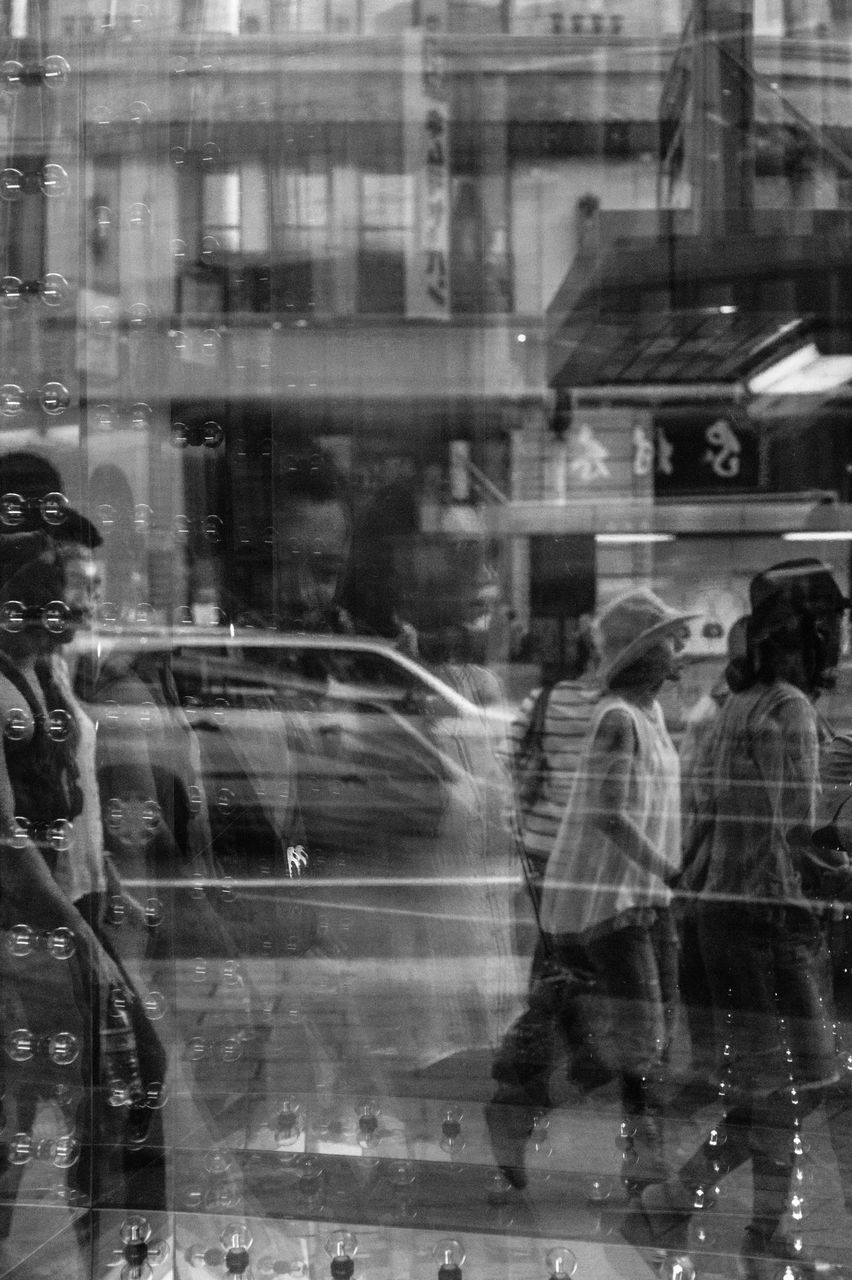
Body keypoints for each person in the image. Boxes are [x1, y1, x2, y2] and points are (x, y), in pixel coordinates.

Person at [622, 560, 848, 1279]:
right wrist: (841, 874)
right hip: (770, 924)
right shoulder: (787, 710)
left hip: (723, 919)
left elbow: (711, 822)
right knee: (804, 1085)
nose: (842, 635)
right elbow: (797, 836)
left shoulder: (734, 708)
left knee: (777, 1091)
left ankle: (735, 1226)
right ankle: (687, 1203)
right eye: (834, 622)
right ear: (809, 632)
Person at [0, 514, 166, 1247]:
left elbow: (76, 796)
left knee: (81, 1086)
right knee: (71, 1087)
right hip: (40, 920)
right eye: (69, 589)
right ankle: (100, 1233)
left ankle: (102, 1232)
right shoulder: (11, 685)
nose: (82, 605)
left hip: (69, 907)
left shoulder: (49, 671)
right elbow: (11, 840)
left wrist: (108, 886)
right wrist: (80, 933)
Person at [531, 589, 695, 1192]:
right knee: (643, 1035)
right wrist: (672, 871)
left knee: (653, 1035)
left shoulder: (648, 717)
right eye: (667, 648)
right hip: (617, 900)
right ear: (639, 658)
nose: (677, 660)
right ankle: (639, 1156)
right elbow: (609, 813)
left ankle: (635, 1152)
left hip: (647, 898)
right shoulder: (618, 719)